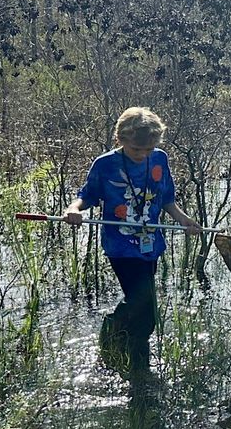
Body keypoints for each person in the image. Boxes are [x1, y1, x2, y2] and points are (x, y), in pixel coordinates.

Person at [63, 107, 202, 374]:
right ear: (121, 140)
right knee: (146, 308)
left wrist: (184, 220)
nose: (144, 155)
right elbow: (87, 195)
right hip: (121, 245)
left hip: (151, 243)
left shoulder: (159, 159)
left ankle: (116, 331)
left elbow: (167, 198)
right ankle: (138, 367)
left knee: (140, 298)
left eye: (149, 149)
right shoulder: (105, 164)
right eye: (138, 150)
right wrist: (74, 209)